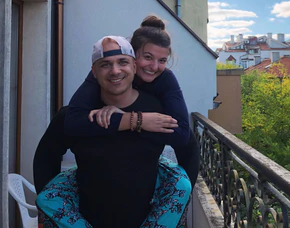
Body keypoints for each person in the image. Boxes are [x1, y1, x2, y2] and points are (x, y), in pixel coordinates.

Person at [35, 30, 199, 227]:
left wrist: (173, 208)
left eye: (123, 62)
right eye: (105, 64)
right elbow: (45, 157)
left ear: (134, 66)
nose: (115, 71)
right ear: (94, 72)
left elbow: (188, 146)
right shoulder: (75, 118)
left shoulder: (157, 113)